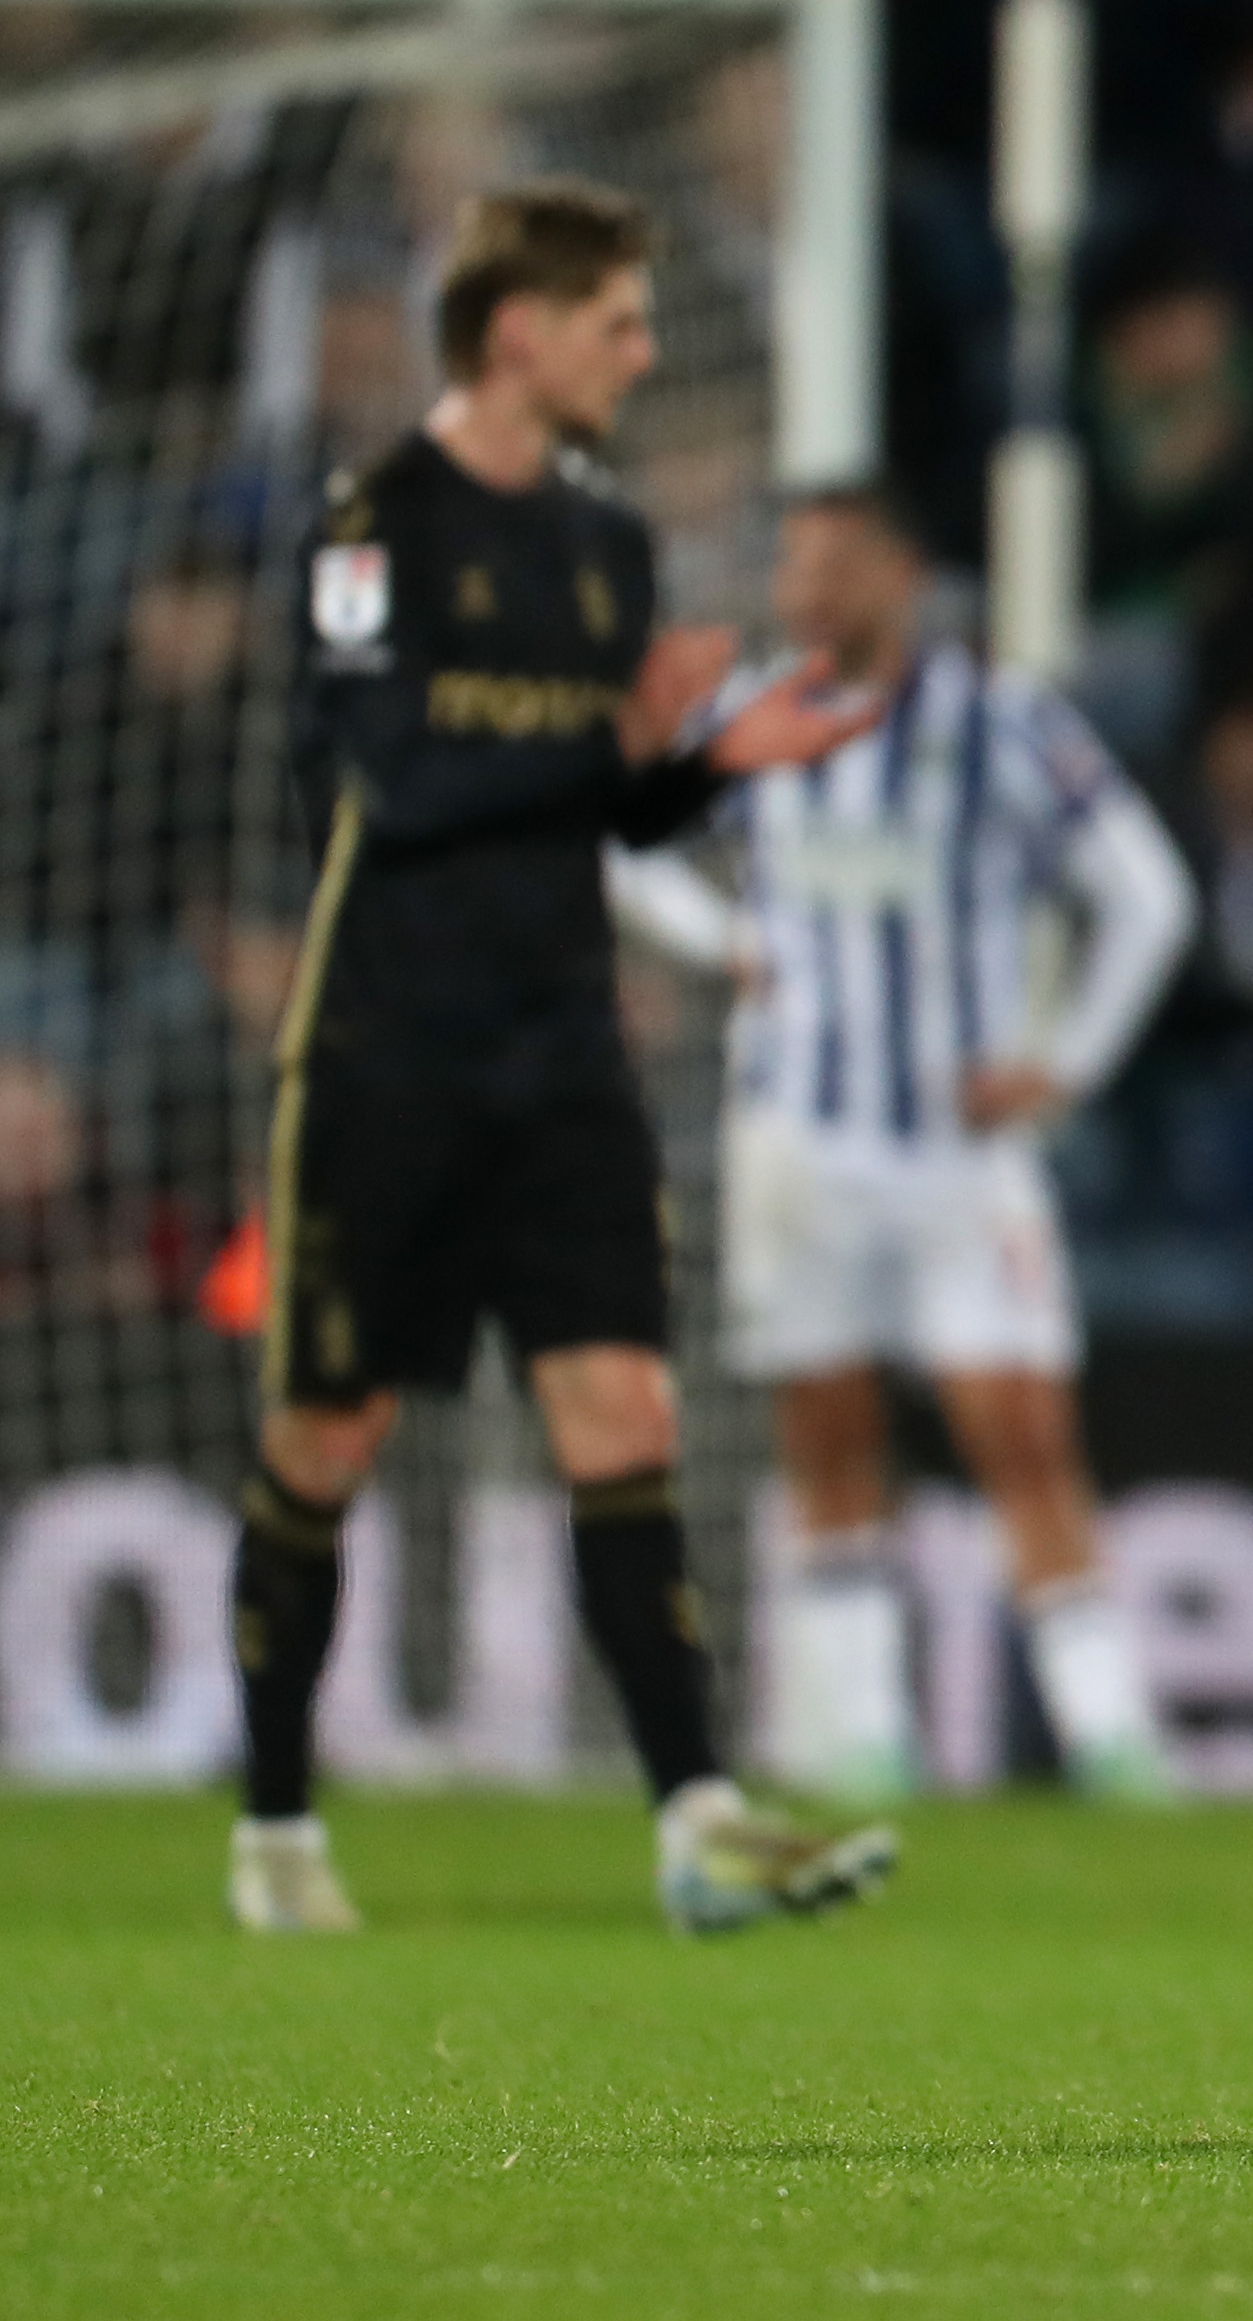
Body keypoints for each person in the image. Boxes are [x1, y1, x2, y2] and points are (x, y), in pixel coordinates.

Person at [231, 180, 897, 1935]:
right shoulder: (371, 527)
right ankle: (278, 1821)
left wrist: (707, 763)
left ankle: (697, 1814)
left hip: (558, 1053)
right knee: (328, 1431)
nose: (643, 349)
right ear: (516, 332)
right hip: (387, 1051)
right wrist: (617, 737)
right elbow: (393, 788)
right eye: (616, 317)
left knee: (624, 1409)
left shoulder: (606, 549)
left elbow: (592, 807)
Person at [608, 482, 1200, 1804]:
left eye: (835, 564)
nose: (807, 589)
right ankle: (861, 1738)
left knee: (1023, 1431)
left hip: (955, 1152)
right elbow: (614, 834)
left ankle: (1114, 1740)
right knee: (827, 1433)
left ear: (901, 574)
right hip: (796, 1143)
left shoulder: (997, 720)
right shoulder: (739, 718)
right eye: (792, 562)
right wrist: (727, 943)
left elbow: (1148, 896)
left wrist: (1064, 1066)